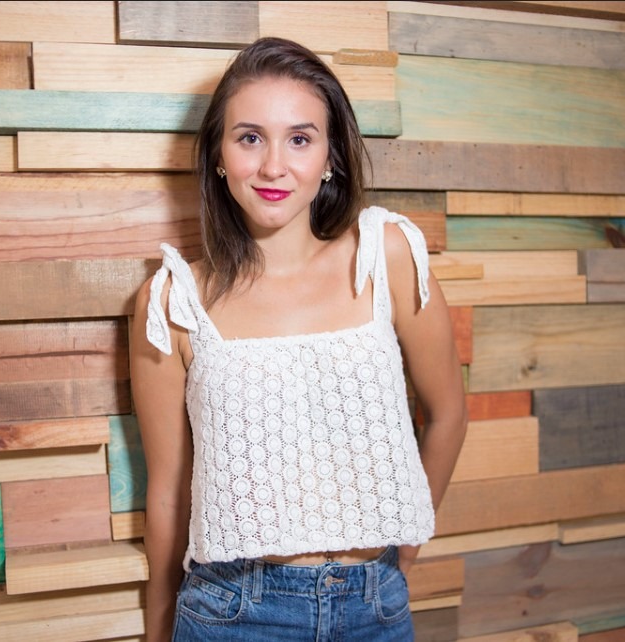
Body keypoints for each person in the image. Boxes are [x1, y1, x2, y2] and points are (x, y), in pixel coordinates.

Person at [129, 36, 468, 642]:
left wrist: (397, 561)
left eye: (300, 139)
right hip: (232, 613)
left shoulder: (385, 255)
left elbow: (448, 415)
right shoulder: (173, 301)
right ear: (218, 155)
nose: (273, 166)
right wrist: (158, 628)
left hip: (375, 607)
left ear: (330, 155)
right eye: (249, 137)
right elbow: (170, 491)